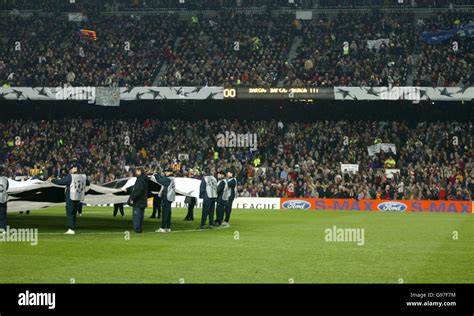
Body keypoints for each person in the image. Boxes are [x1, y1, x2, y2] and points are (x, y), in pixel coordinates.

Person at [51, 164, 89, 235]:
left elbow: (60, 182)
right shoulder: (83, 177)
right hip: (78, 197)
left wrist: (52, 180)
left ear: (72, 169)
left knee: (70, 213)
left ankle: (71, 229)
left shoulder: (70, 177)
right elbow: (88, 183)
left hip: (71, 197)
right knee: (74, 213)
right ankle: (72, 227)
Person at [154, 167, 176, 233]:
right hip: (170, 197)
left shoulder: (168, 179)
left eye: (167, 171)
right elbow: (163, 179)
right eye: (165, 171)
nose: (165, 172)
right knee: (168, 213)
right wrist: (158, 174)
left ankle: (163, 228)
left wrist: (156, 175)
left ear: (171, 172)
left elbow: (160, 181)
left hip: (166, 197)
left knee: (164, 213)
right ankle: (168, 227)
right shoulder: (172, 178)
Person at [128, 167, 149, 233]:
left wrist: (132, 198)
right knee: (141, 216)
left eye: (136, 171)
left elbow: (137, 190)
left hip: (138, 201)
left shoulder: (140, 179)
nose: (135, 172)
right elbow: (136, 188)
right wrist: (128, 189)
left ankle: (137, 229)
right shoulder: (144, 179)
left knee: (136, 216)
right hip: (143, 200)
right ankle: (139, 228)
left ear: (140, 171)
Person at [0, 165, 9, 234]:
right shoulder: (5, 179)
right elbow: (7, 187)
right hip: (3, 198)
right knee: (3, 214)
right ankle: (3, 228)